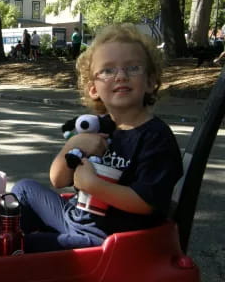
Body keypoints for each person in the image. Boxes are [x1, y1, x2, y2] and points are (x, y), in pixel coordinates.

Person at [11, 23, 183, 252]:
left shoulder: (155, 137)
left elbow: (147, 203)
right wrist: (72, 145)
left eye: (133, 68)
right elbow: (58, 180)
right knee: (24, 189)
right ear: (93, 89)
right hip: (74, 216)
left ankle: (5, 256)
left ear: (151, 81)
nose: (121, 76)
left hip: (104, 240)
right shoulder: (99, 127)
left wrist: (93, 185)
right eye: (108, 70)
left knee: (21, 247)